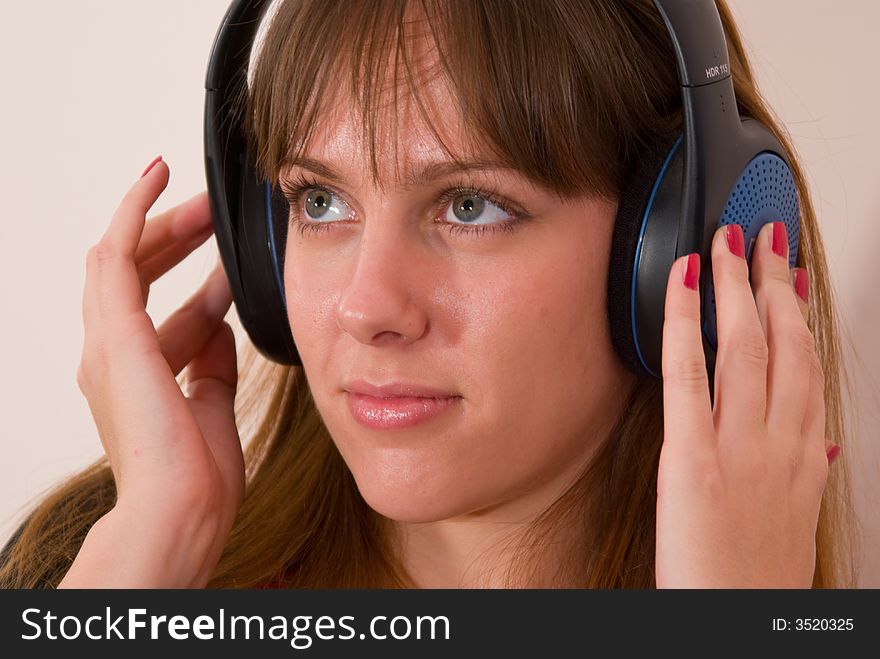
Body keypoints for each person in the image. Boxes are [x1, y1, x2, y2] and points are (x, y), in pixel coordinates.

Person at [0, 0, 858, 588]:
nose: (366, 308)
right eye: (320, 201)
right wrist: (147, 565)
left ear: (688, 242)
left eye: (470, 206)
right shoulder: (92, 573)